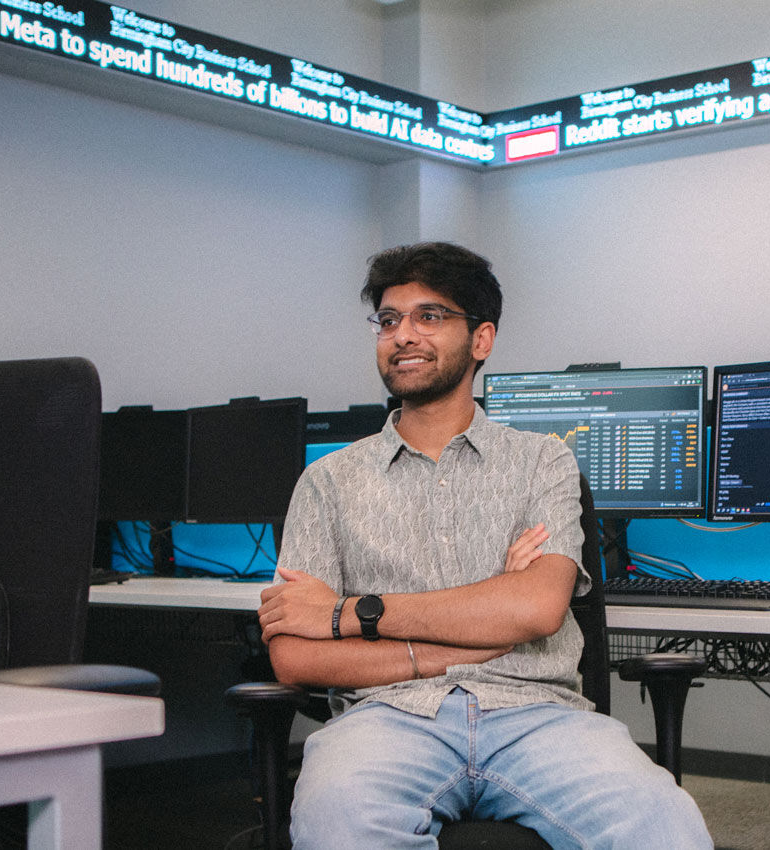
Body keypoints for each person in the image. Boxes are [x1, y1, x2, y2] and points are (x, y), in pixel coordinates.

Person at [257, 242, 713, 849]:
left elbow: (536, 611)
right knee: (338, 824)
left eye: (431, 316)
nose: (403, 335)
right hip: (385, 719)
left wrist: (352, 614)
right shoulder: (328, 481)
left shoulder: (542, 462)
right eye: (389, 320)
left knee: (664, 823)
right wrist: (481, 624)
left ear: (482, 339)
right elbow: (296, 657)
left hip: (536, 715)